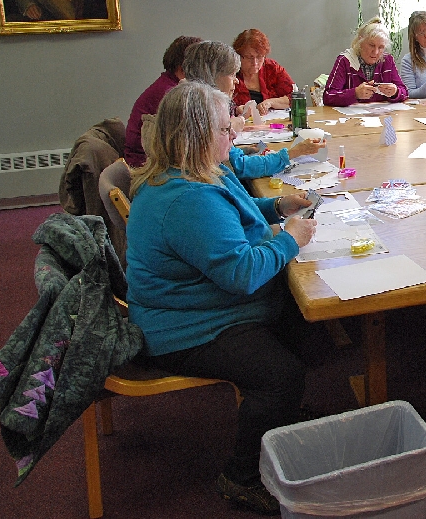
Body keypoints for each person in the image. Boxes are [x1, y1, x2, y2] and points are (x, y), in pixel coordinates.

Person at [126, 82, 317, 515]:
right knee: (280, 374)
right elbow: (242, 273)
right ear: (195, 136)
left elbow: (237, 216)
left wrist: (277, 207)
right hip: (183, 327)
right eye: (225, 129)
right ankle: (241, 477)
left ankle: (278, 421)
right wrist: (290, 239)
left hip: (201, 304)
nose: (233, 134)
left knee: (306, 321)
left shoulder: (199, 171)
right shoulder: (186, 199)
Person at [182, 41, 323, 179]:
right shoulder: (206, 115)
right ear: (212, 76)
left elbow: (229, 159)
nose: (236, 81)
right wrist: (294, 152)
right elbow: (241, 167)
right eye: (231, 75)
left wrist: (244, 150)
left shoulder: (195, 104)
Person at [124, 36, 203, 167]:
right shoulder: (170, 93)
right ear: (184, 66)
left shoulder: (168, 83)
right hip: (146, 165)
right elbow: (191, 140)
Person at [323, 17, 409, 106]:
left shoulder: (387, 60)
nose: (375, 52)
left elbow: (405, 93)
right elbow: (328, 96)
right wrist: (355, 93)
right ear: (360, 42)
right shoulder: (345, 61)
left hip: (381, 117)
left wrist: (395, 92)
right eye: (371, 45)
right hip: (351, 118)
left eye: (381, 47)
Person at [232, 29, 295, 114]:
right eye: (249, 57)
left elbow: (295, 96)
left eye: (259, 57)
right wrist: (236, 110)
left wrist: (270, 102)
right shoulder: (229, 72)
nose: (255, 62)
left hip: (272, 123)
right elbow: (219, 105)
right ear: (238, 55)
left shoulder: (271, 68)